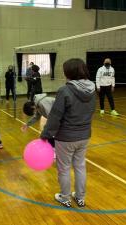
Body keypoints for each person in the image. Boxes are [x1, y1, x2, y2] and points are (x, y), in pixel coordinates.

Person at [40, 58, 96, 208]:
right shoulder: (92, 88)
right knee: (80, 166)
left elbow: (55, 116)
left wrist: (45, 135)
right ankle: (80, 197)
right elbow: (91, 111)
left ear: (69, 72)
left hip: (66, 138)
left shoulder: (65, 90)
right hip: (84, 136)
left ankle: (65, 198)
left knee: (64, 169)